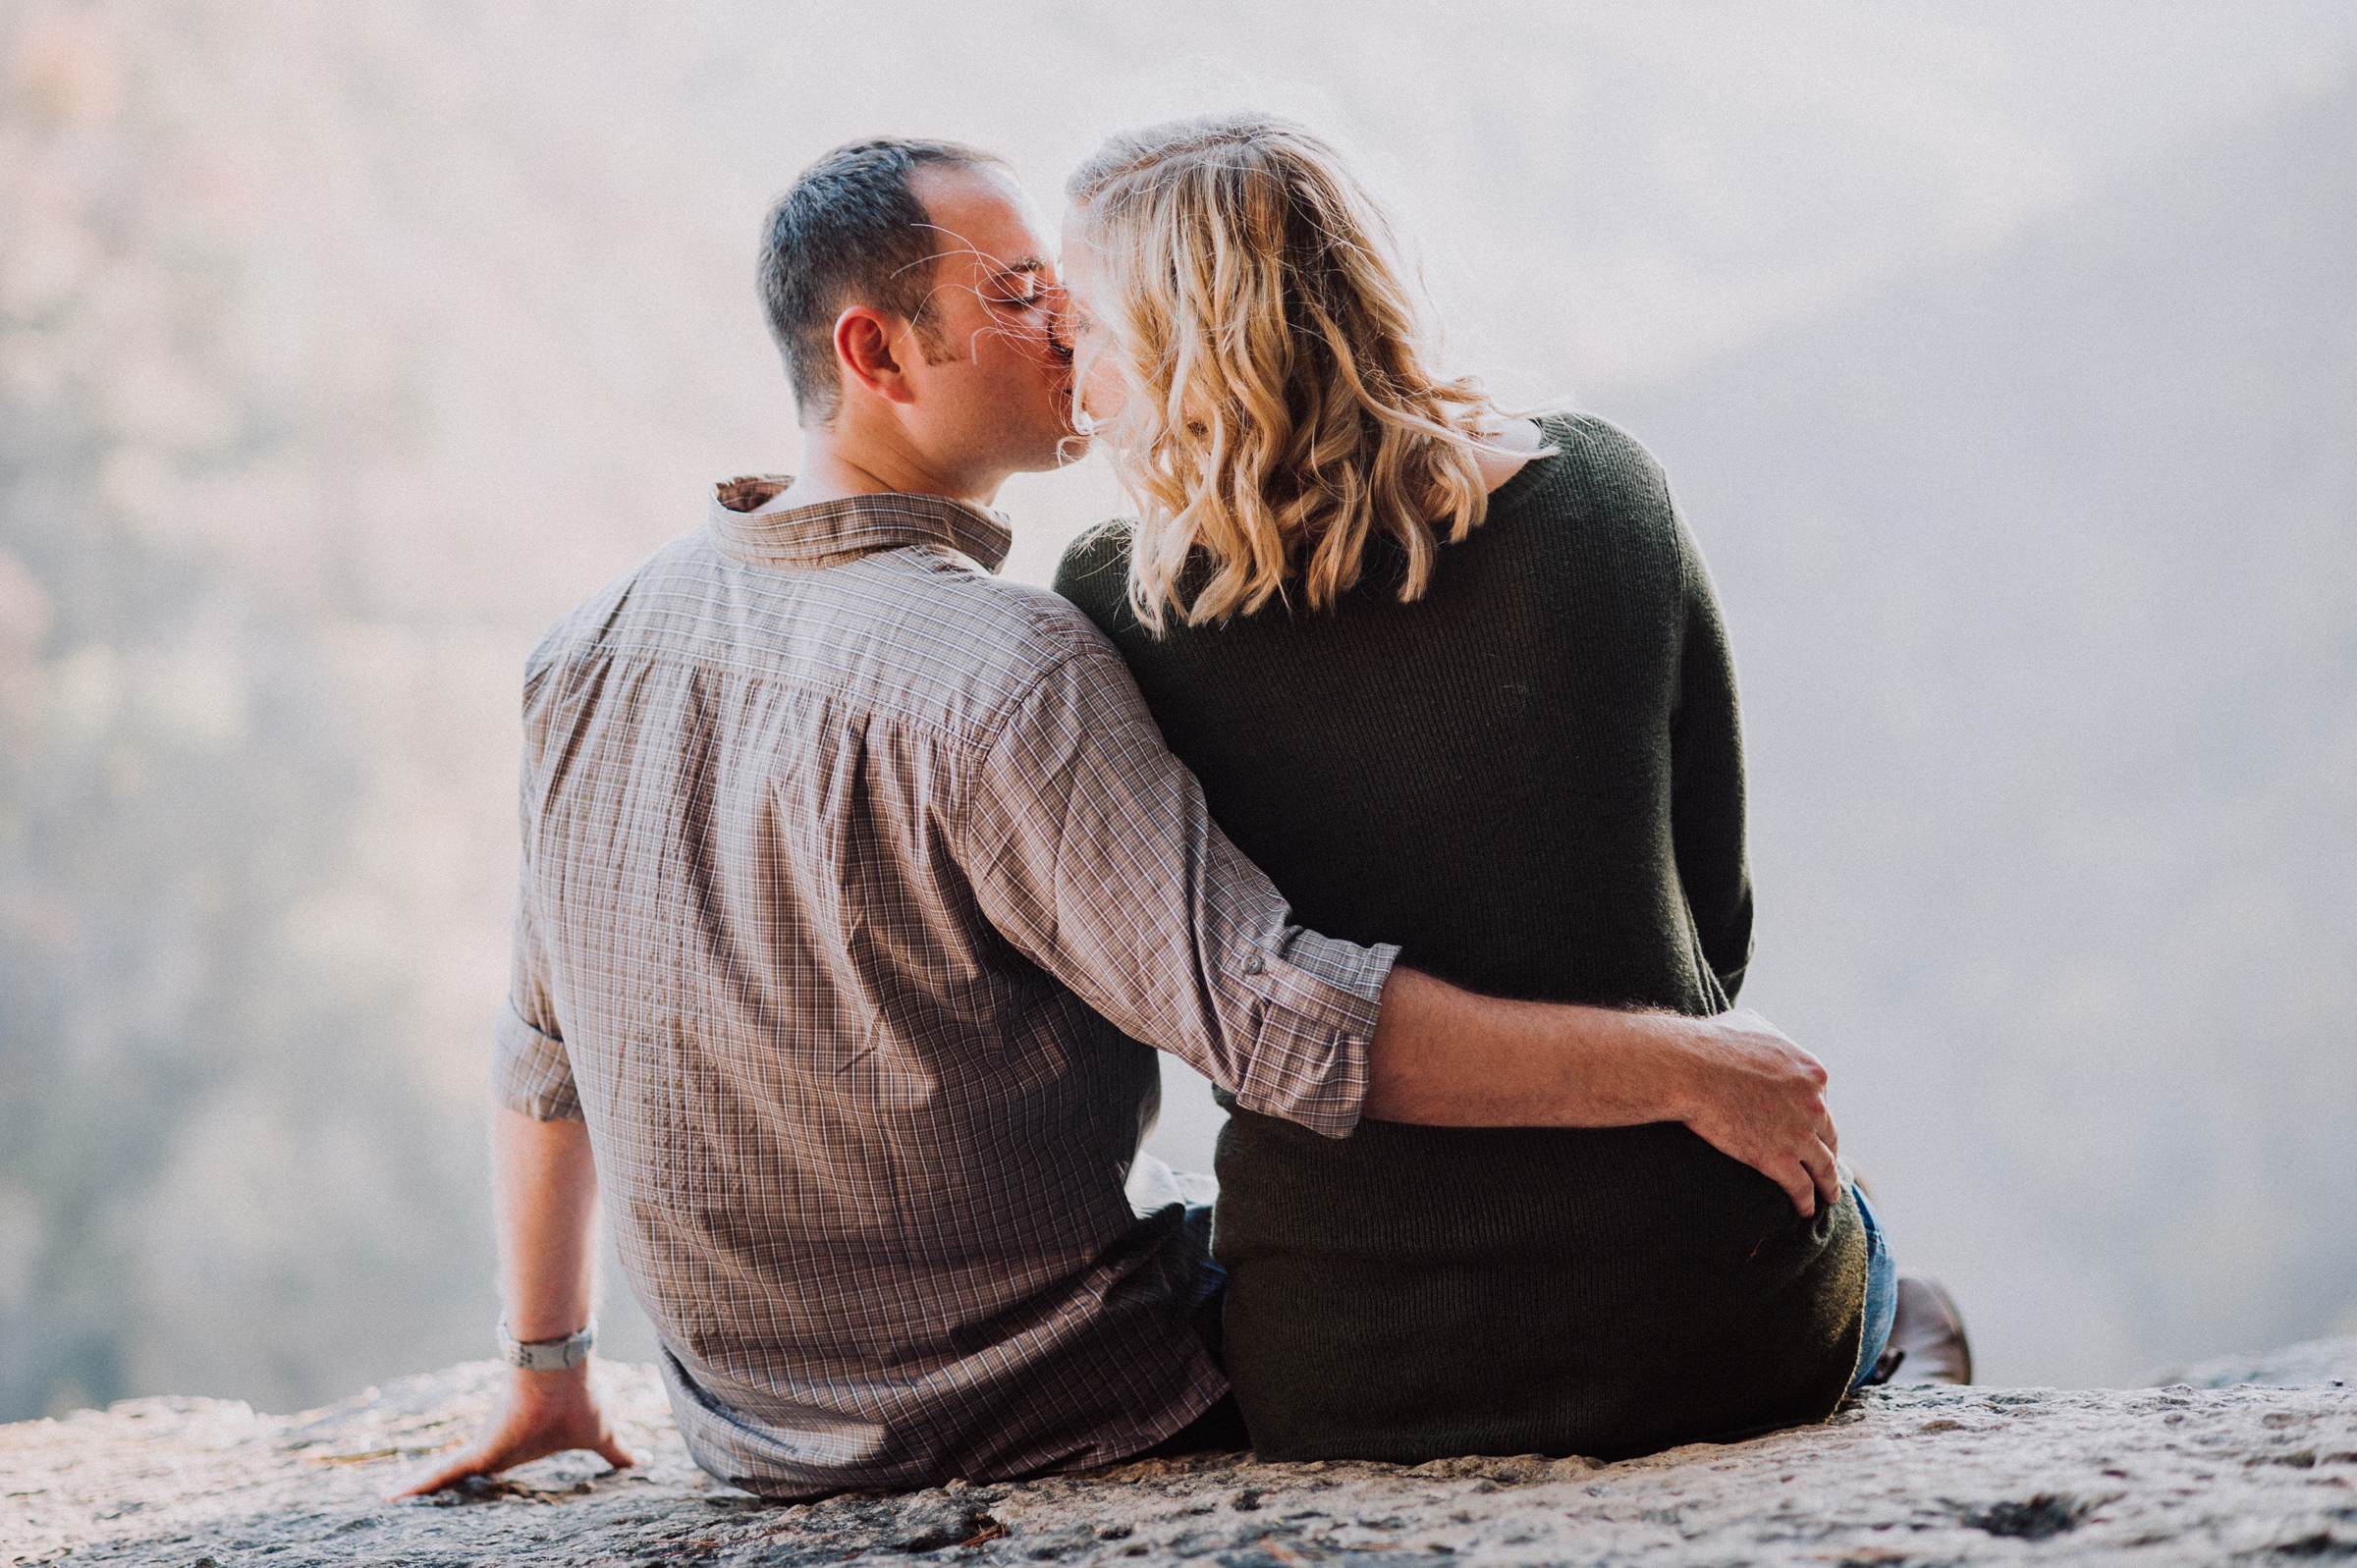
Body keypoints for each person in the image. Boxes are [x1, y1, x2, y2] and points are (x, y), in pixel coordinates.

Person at [397, 136, 1847, 1502]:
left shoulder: (583, 645)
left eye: (1072, 293)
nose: (1067, 330)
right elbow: (1277, 1022)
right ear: (875, 351)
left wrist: (550, 1367)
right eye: (1021, 294)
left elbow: (541, 1044)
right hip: (1058, 1400)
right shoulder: (1013, 666)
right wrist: (1684, 1063)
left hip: (750, 1432)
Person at [1051, 114, 1968, 1465]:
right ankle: (1915, 1345)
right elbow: (1711, 926)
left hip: (1348, 1370)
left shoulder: (1111, 604)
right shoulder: (1600, 497)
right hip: (1710, 1328)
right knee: (1895, 1268)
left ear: (1177, 350)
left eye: (1083, 328)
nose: (1070, 372)